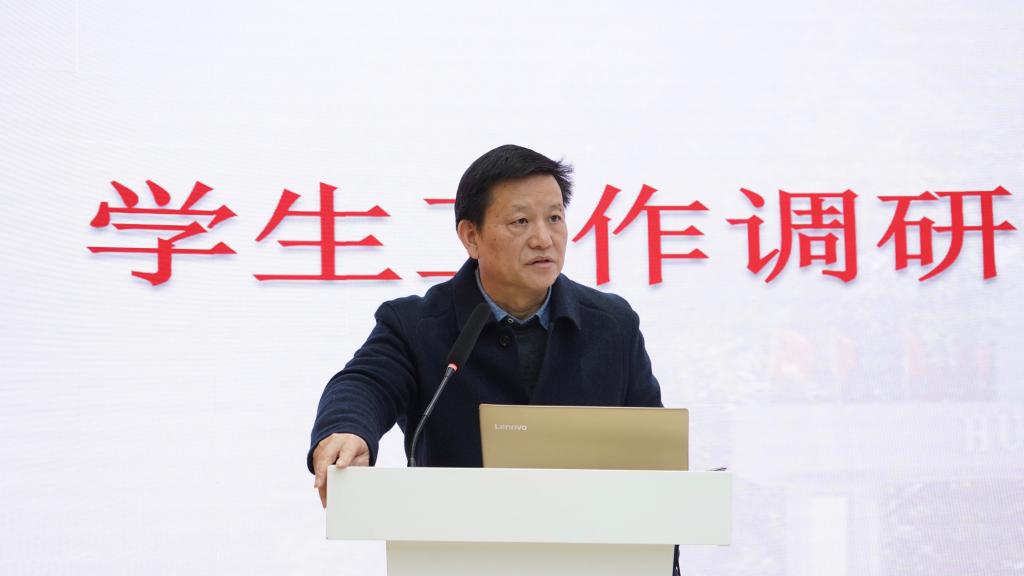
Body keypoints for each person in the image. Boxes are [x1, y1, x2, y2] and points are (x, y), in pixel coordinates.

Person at [309, 144, 663, 507]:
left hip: (591, 535)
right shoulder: (415, 325)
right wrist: (347, 429)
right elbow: (365, 383)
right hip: (456, 533)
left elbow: (656, 452)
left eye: (555, 218)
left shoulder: (612, 325)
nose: (543, 239)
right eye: (520, 221)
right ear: (471, 236)